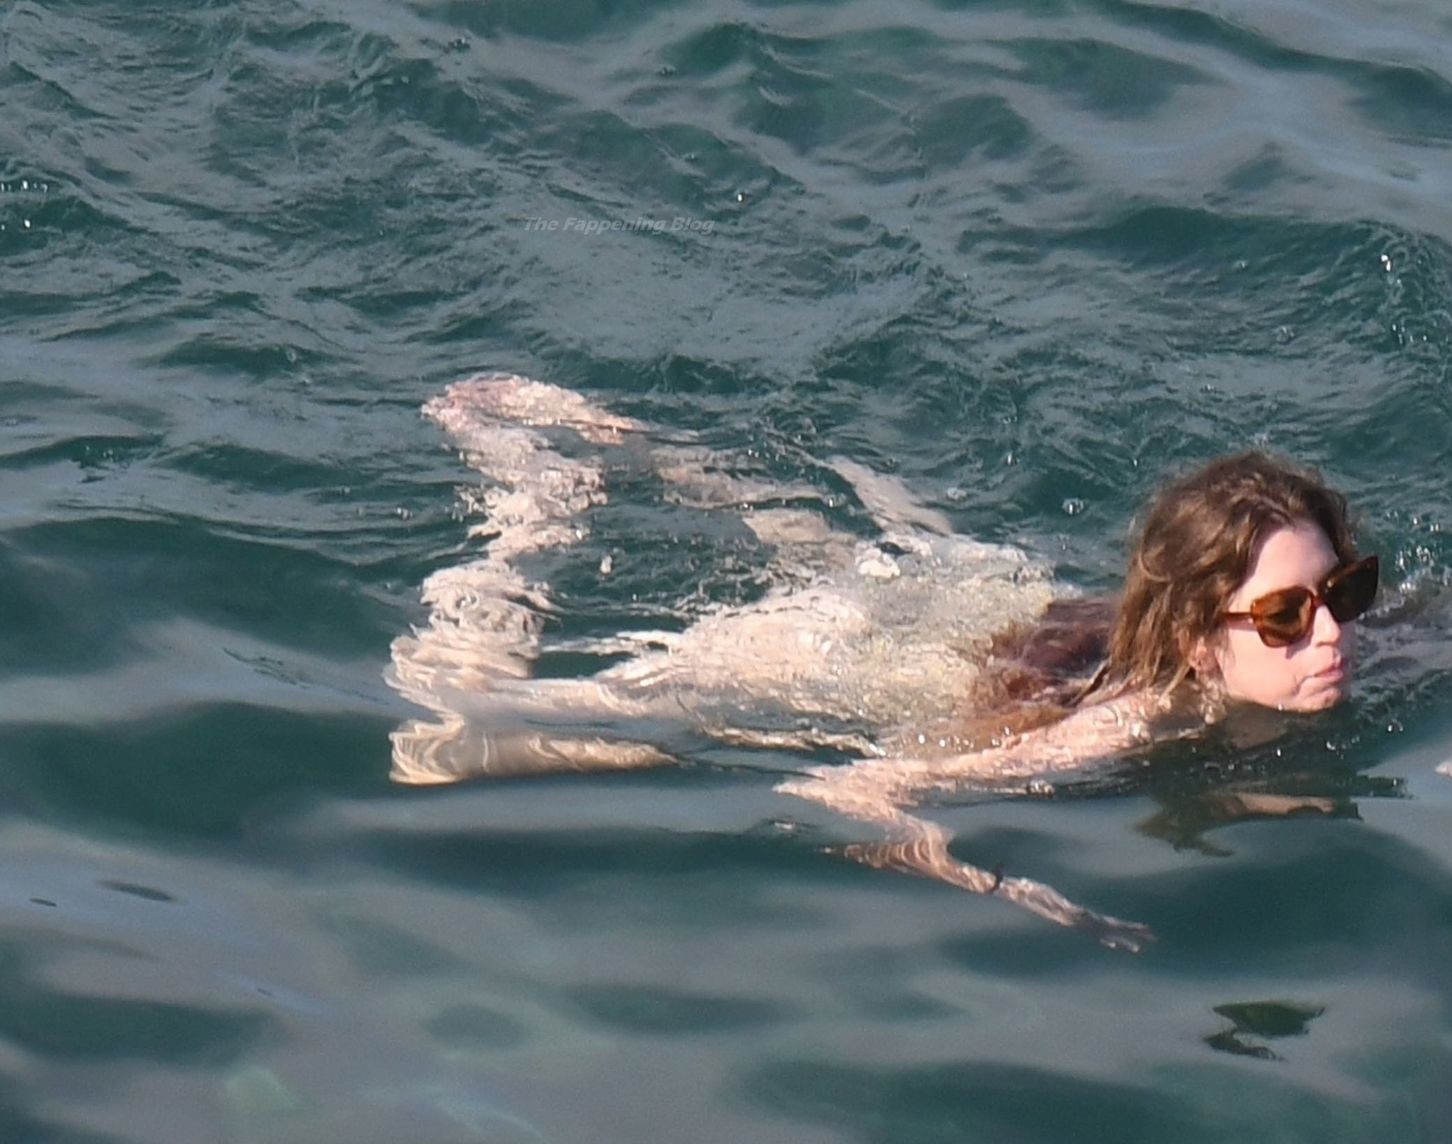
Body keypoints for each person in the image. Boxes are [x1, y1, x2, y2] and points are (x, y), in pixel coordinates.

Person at [387, 375, 1379, 949]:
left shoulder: (1341, 639)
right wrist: (999, 886)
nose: (1332, 632)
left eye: (1342, 591)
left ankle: (641, 443)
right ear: (1199, 639)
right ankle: (536, 508)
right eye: (1286, 615)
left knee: (838, 553)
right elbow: (848, 791)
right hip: (860, 659)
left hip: (987, 602)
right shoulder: (1118, 725)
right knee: (444, 742)